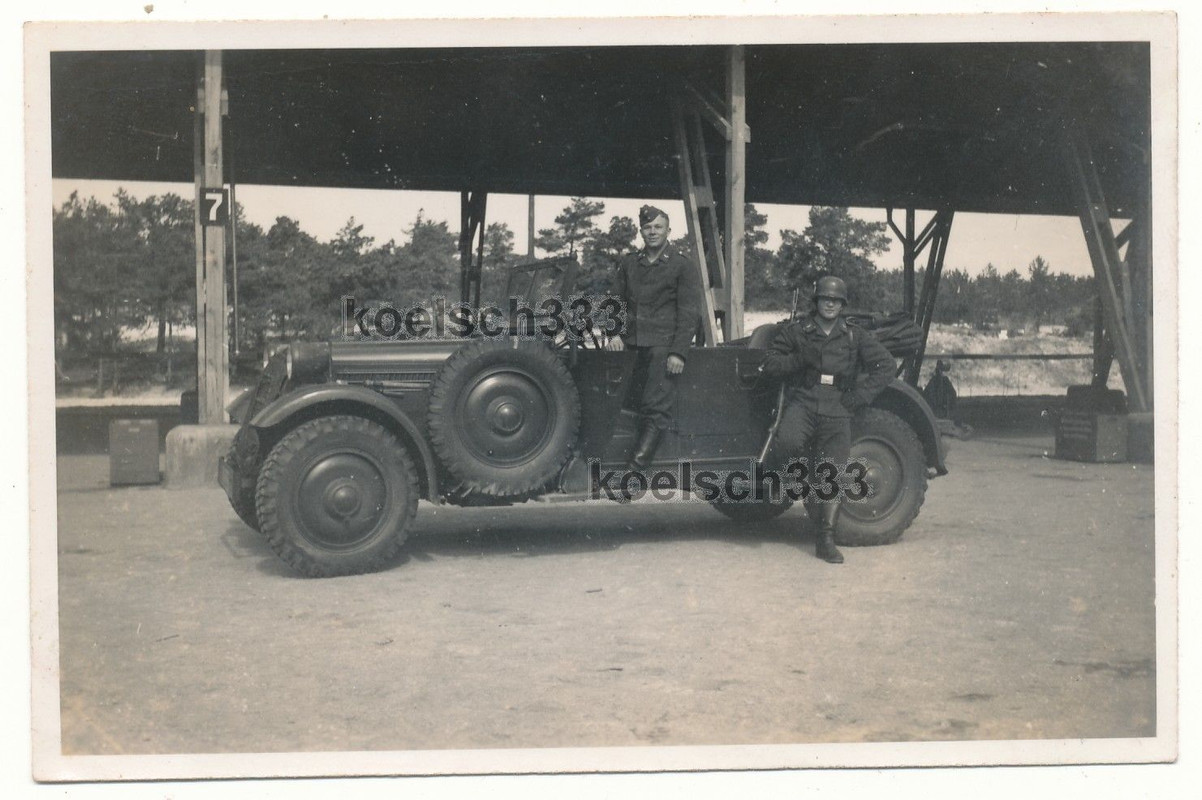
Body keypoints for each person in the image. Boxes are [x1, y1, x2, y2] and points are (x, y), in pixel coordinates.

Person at [759, 275, 895, 564]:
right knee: (787, 441)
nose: (830, 304)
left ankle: (826, 539)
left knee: (832, 473)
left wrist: (860, 396)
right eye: (825, 299)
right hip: (805, 400)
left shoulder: (853, 335)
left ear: (842, 304)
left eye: (836, 300)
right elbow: (770, 363)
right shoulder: (799, 331)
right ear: (817, 302)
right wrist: (798, 360)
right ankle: (779, 483)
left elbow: (886, 366)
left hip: (838, 406)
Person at [606, 205, 701, 470]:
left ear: (668, 231)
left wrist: (678, 352)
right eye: (647, 228)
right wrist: (614, 332)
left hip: (663, 349)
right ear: (641, 231)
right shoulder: (629, 264)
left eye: (658, 227)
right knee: (622, 403)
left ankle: (634, 470)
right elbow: (615, 301)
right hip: (632, 346)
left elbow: (688, 313)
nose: (653, 232)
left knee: (655, 407)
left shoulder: (681, 265)